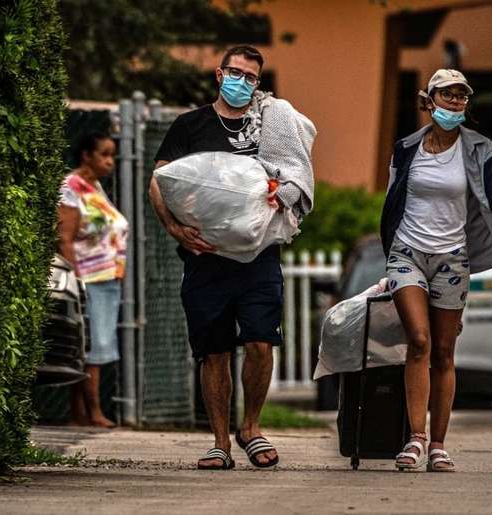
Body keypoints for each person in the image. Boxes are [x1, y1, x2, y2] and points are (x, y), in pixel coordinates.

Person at [149, 45, 314, 470]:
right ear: (219, 74)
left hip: (259, 255)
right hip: (206, 256)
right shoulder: (191, 125)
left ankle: (251, 429)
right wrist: (174, 228)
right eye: (235, 73)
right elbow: (160, 179)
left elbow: (293, 167)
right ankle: (219, 442)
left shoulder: (270, 124)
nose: (242, 81)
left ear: (259, 83)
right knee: (215, 350)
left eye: (251, 77)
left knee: (261, 342)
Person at [380, 69, 492, 472]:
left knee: (444, 351)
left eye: (461, 97)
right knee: (418, 341)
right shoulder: (406, 148)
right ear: (429, 100)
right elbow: (391, 200)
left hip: (452, 257)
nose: (454, 103)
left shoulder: (480, 150)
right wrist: (388, 250)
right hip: (407, 252)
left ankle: (439, 444)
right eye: (447, 95)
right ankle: (415, 439)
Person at [57, 132, 129, 428]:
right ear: (86, 155)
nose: (110, 162)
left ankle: (79, 414)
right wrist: (76, 280)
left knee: (90, 346)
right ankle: (95, 412)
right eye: (104, 154)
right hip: (90, 278)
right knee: (94, 347)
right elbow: (65, 238)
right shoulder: (71, 187)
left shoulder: (93, 186)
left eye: (112, 155)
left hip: (107, 277)